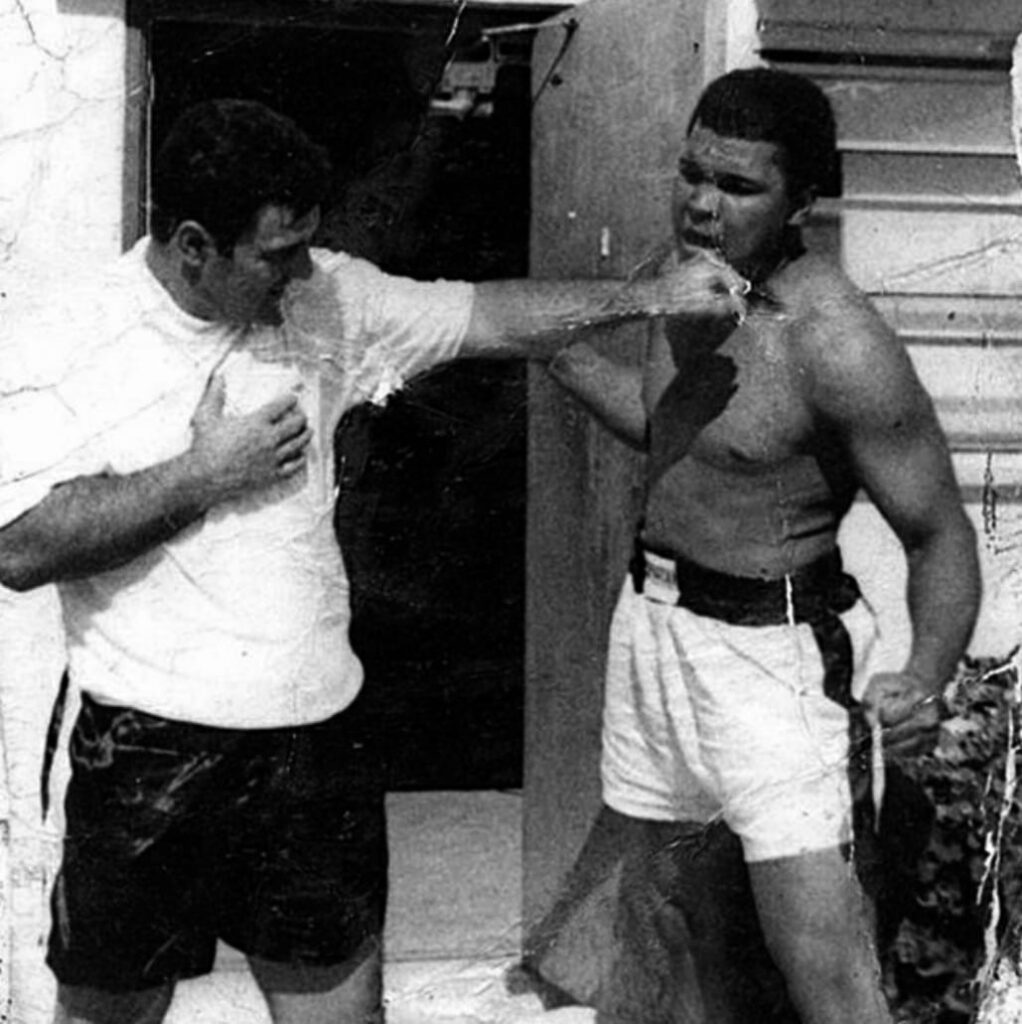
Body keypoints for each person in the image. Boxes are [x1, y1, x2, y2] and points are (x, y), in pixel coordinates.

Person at [0, 99, 744, 1024]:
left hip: (313, 745)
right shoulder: (72, 336)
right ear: (194, 246)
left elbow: (493, 317)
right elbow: (21, 548)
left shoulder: (329, 297)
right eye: (277, 254)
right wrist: (202, 475)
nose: (300, 272)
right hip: (146, 750)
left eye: (308, 245)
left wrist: (649, 297)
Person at [532, 67, 980, 1024]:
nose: (702, 205)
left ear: (803, 202)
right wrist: (558, 352)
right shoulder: (679, 275)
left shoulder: (837, 344)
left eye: (739, 188)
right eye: (693, 174)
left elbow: (940, 535)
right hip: (653, 634)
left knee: (824, 965)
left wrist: (926, 670)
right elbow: (683, 437)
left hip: (776, 660)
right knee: (676, 931)